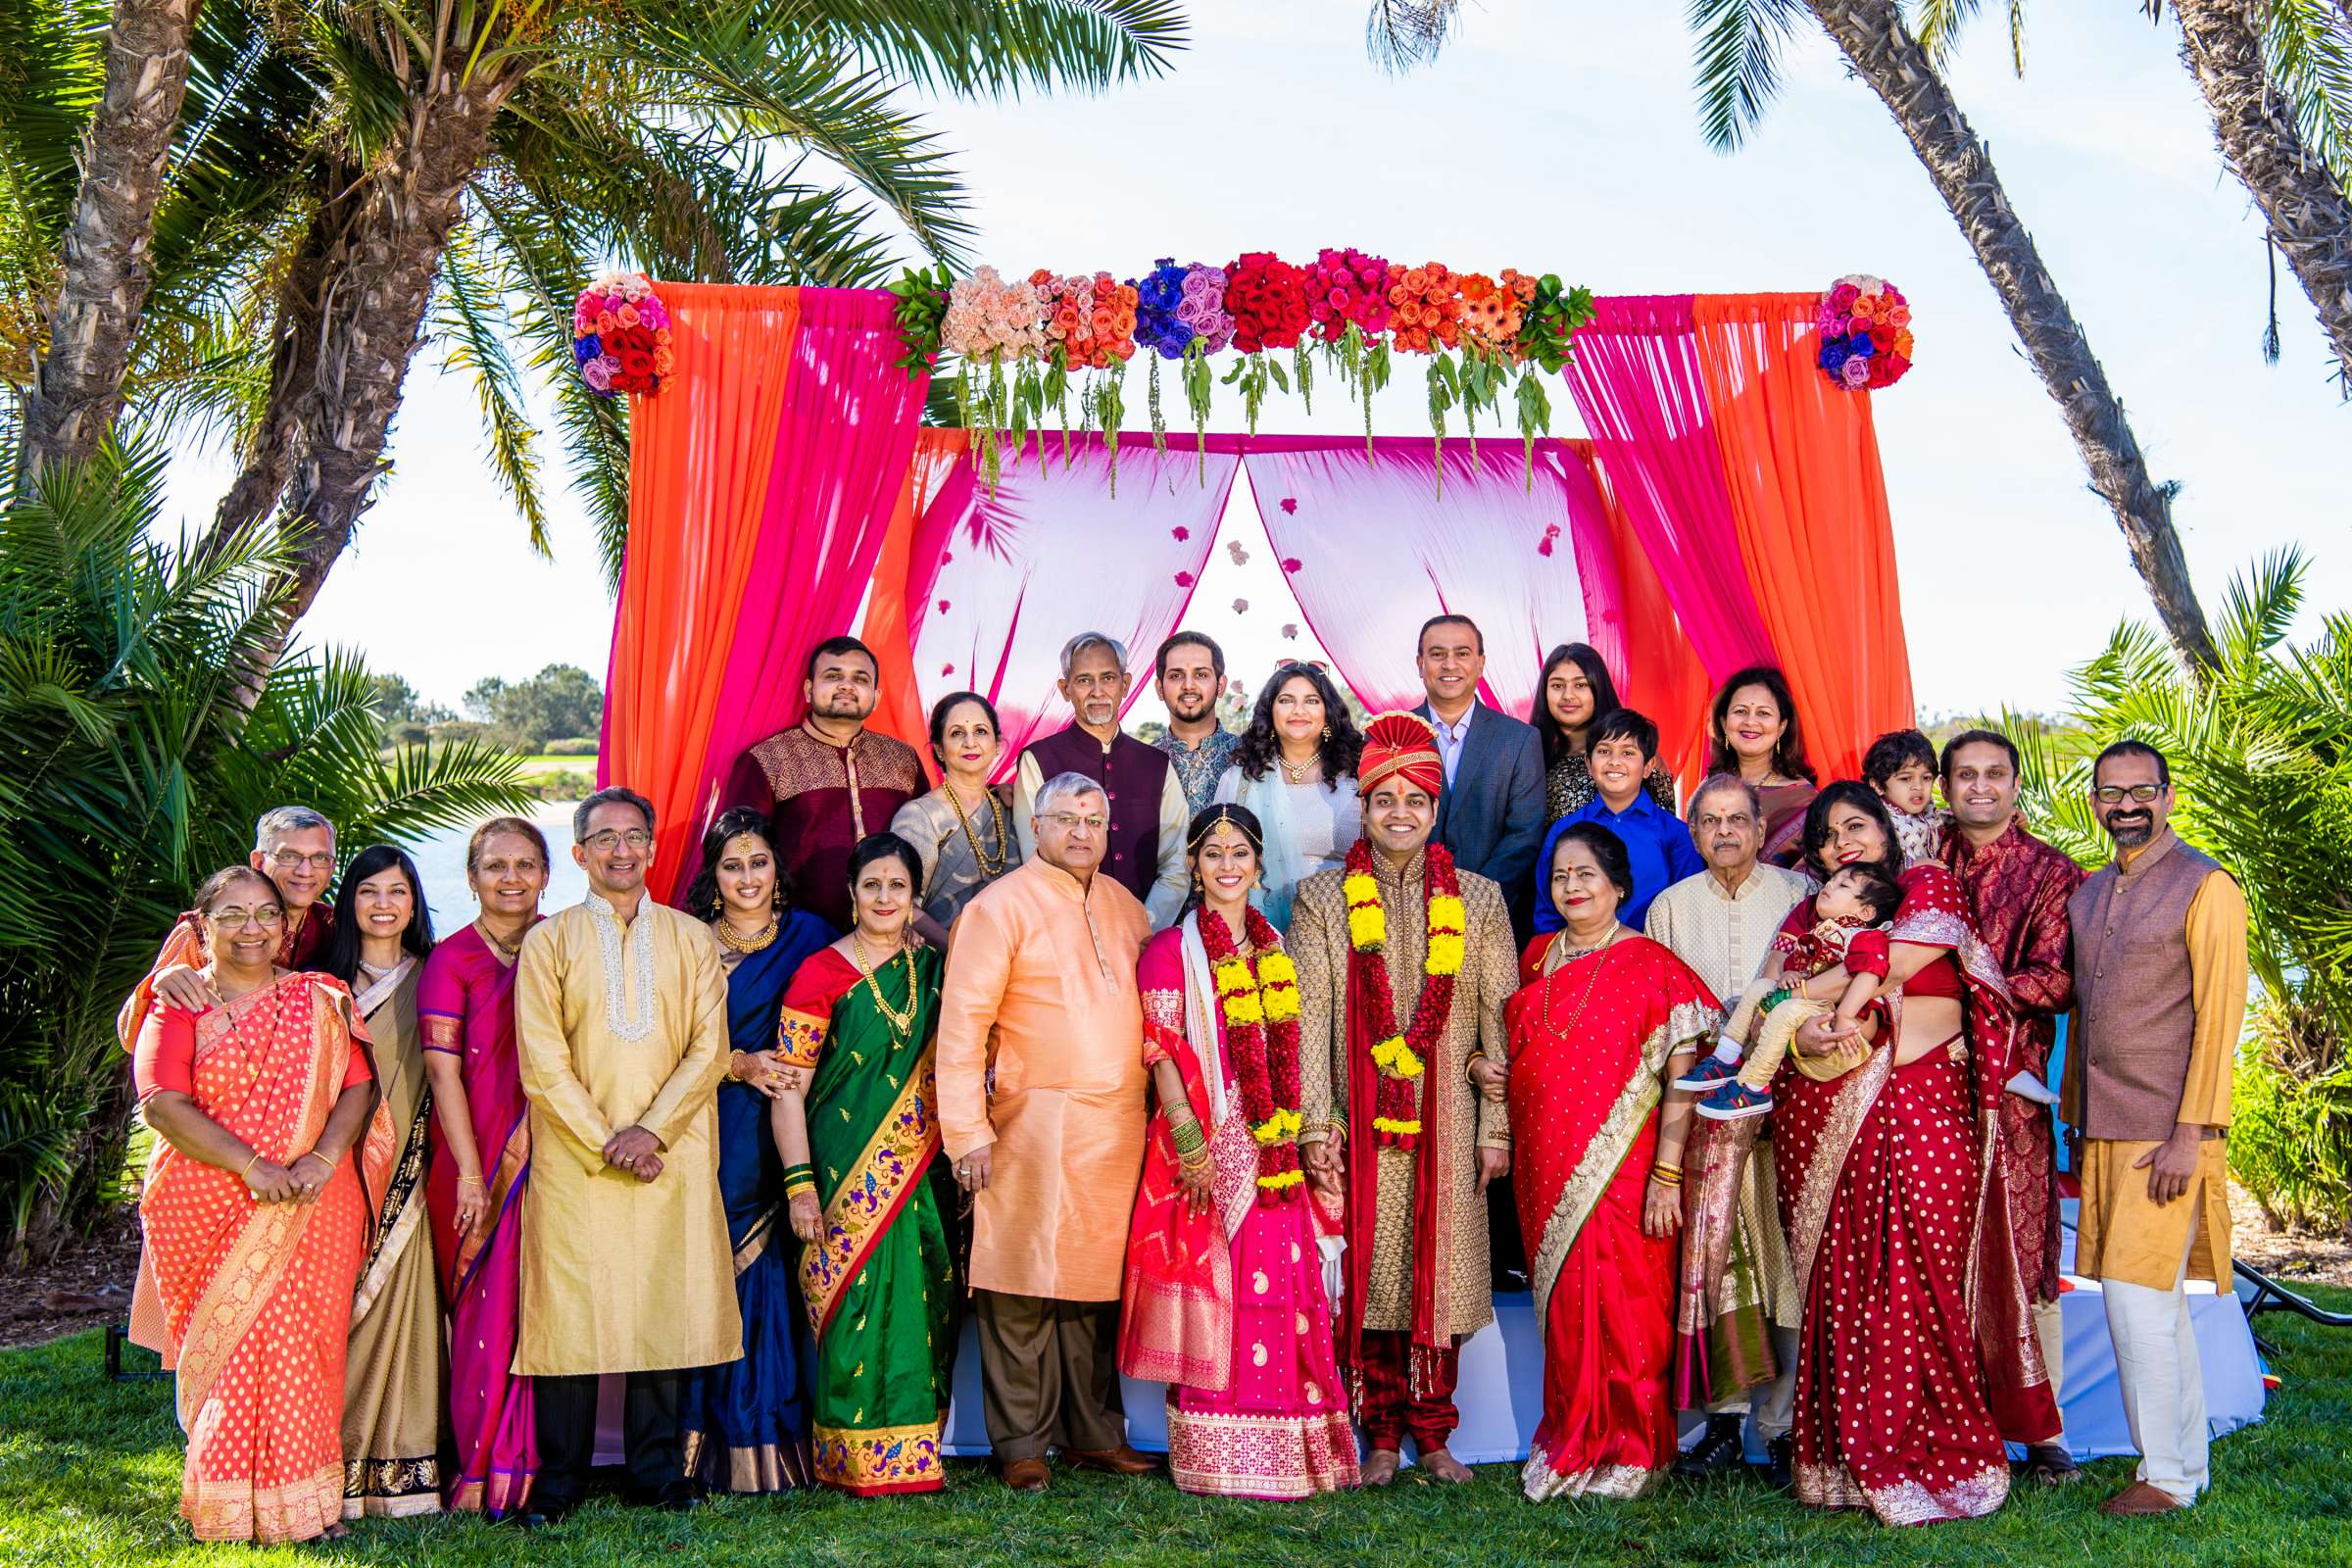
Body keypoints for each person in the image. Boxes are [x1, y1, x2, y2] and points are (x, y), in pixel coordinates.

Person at [1773, 783, 2054, 1525]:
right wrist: (1794, 1018)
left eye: (1856, 825)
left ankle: (1935, 1450)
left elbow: (1899, 962)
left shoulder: (1925, 883)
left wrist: (1798, 994)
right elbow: (1777, 1000)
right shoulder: (1809, 911)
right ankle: (1835, 1461)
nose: (1843, 843)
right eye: (1829, 836)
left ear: (1889, 830)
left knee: (1920, 1274)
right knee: (1846, 1277)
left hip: (1921, 1105)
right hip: (1831, 1113)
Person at [130, 864, 390, 1544]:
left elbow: (358, 1088)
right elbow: (162, 1102)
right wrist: (252, 1167)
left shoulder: (321, 997)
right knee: (230, 1347)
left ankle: (302, 1510)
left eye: (266, 915)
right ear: (202, 927)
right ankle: (225, 1511)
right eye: (233, 916)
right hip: (209, 1197)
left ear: (286, 925)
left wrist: (323, 1158)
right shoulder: (178, 1004)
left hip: (313, 1196)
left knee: (305, 1348)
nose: (252, 930)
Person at [1290, 712, 1517, 1487]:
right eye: (1383, 800)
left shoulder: (1480, 900)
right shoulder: (1323, 899)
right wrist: (1318, 1124)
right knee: (1374, 1274)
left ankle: (1435, 1431)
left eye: (1414, 802)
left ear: (1433, 808)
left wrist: (1499, 1128)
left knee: (1441, 1272)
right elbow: (1312, 1017)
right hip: (1361, 1116)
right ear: (1364, 804)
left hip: (1450, 1118)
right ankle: (1381, 1431)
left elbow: (1499, 1019)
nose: (1399, 814)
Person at [1117, 804, 1360, 1499]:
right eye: (1213, 853)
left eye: (1240, 853)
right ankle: (1215, 1452)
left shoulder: (1274, 944)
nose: (1227, 865)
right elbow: (1161, 1053)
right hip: (1207, 1145)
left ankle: (1293, 1447)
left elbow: (1295, 1047)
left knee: (1284, 1290)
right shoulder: (1170, 950)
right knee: (1223, 1291)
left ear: (1259, 867)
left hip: (1273, 1146)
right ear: (1193, 867)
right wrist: (1192, 1142)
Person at [513, 787, 737, 1522]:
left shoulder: (690, 938)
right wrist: (608, 1138)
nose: (620, 849)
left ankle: (655, 1471)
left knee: (660, 1303)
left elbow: (711, 1050)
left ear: (650, 848)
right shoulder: (548, 942)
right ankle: (559, 1481)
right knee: (570, 1315)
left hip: (669, 1154)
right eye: (603, 838)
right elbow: (542, 1062)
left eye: (633, 836)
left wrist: (653, 1132)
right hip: (578, 1160)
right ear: (578, 854)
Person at [938, 771, 1158, 1492]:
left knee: (1095, 1288)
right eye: (1065, 819)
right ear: (1036, 826)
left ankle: (1095, 1433)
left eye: (1093, 821)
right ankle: (1021, 1444)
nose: (1081, 833)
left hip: (1118, 1127)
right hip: (1029, 1126)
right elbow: (963, 1026)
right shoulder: (998, 907)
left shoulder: (1127, 907)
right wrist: (967, 1132)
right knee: (1020, 1284)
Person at [1501, 823, 1717, 1500]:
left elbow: (1684, 1073)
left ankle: (1634, 1448)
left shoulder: (1652, 963)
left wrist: (1667, 1171)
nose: (1571, 886)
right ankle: (1572, 1434)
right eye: (1560, 875)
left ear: (1619, 885)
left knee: (1628, 1302)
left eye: (1586, 873)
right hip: (1545, 1163)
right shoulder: (1539, 958)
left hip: (1628, 1163)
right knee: (1566, 1306)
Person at [2063, 742, 2244, 1517]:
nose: (2126, 804)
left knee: (2137, 1304)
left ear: (2168, 796)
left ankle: (2163, 1477)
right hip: (2103, 1125)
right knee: (2156, 1305)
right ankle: (2185, 1469)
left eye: (2142, 790)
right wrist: (2073, 1116)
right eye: (2111, 791)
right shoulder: (2090, 893)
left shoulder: (2208, 885)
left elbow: (2220, 1020)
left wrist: (2192, 1134)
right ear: (2095, 802)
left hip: (2165, 1130)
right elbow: (2086, 1013)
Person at [769, 833, 956, 1494]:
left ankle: (916, 1449)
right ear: (851, 894)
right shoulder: (821, 973)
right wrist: (799, 1187)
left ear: (915, 897)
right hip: (839, 1171)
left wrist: (928, 930)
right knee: (850, 1304)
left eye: (897, 886)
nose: (884, 897)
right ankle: (848, 1456)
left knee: (923, 1299)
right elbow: (787, 1086)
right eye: (871, 885)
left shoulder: (935, 967)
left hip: (924, 1171)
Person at [1642, 776, 1808, 1485]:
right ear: (1694, 831)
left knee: (1791, 1267)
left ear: (1761, 826)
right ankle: (1727, 1420)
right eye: (1709, 822)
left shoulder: (1801, 896)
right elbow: (1659, 1019)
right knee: (1720, 1266)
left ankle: (1785, 1424)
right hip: (1710, 1120)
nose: (1725, 832)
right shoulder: (1670, 909)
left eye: (1737, 819)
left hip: (1797, 1110)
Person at [1940, 725, 2086, 1487]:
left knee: (2025, 1254)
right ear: (1945, 784)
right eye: (1965, 775)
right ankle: (1947, 1417)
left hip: (2010, 1091)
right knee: (1936, 1249)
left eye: (1994, 774)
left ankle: (2044, 1432)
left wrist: (1962, 983)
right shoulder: (1920, 859)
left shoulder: (2053, 873)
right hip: (1923, 1089)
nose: (1980, 788)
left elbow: (2056, 980)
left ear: (2016, 783)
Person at [677, 808, 836, 1493]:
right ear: (713, 878)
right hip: (708, 1121)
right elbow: (656, 1046)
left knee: (773, 1274)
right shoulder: (684, 944)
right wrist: (737, 1062)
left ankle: (774, 1439)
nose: (748, 878)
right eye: (732, 865)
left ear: (779, 870)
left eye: (759, 862)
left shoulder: (810, 936)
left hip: (793, 1125)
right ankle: (700, 1442)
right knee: (711, 1269)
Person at [420, 816, 550, 1518]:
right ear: (470, 878)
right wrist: (472, 1175)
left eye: (525, 865)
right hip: (475, 1165)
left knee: (543, 1310)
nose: (511, 879)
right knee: (485, 1309)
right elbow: (443, 1076)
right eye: (495, 866)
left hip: (557, 1159)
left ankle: (537, 1463)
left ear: (546, 875)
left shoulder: (563, 944)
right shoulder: (452, 959)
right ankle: (480, 1469)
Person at [318, 845, 443, 1521]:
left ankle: (401, 1465)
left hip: (414, 1182)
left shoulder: (438, 975)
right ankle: (321, 1464)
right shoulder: (318, 984)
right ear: (350, 903)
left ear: (414, 902)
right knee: (332, 1320)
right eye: (369, 891)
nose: (384, 905)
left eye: (398, 891)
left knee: (405, 1319)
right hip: (335, 1179)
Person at [730, 635, 927, 932]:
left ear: (876, 696)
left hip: (896, 933)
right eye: (833, 676)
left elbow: (938, 819)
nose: (847, 685)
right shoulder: (769, 758)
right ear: (809, 690)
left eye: (860, 679)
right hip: (799, 937)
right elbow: (738, 851)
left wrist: (998, 793)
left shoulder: (902, 758)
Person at [1677, 861, 1900, 1121]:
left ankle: (1755, 1087)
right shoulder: (1820, 928)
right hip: (1806, 998)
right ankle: (1726, 1058)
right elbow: (1796, 962)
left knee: (1786, 1011)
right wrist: (1788, 974)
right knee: (1760, 988)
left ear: (1866, 911)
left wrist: (1846, 1014)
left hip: (1830, 1008)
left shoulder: (1865, 937)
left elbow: (1870, 973)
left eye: (1843, 885)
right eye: (1832, 879)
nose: (1829, 884)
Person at [118, 806, 342, 1047]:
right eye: (288, 856)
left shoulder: (336, 928)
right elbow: (135, 1037)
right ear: (258, 861)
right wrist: (158, 983)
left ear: (332, 867)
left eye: (320, 858)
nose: (305, 871)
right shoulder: (205, 930)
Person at [1012, 632, 1190, 926]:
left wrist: (1145, 924)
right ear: (1065, 689)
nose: (1097, 691)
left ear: (1125, 684)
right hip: (1064, 931)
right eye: (1084, 680)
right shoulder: (1039, 760)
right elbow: (1034, 859)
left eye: (1108, 678)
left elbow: (1176, 860)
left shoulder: (1156, 764)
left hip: (1146, 933)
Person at [1411, 614, 1546, 937]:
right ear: (1420, 663)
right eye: (1437, 654)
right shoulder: (1391, 735)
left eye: (1462, 653)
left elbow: (1524, 836)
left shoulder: (1519, 740)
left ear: (1480, 662)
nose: (1450, 664)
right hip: (1407, 918)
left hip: (1493, 920)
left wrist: (1473, 901)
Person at [1211, 661, 1364, 930]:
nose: (1298, 710)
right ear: (1270, 710)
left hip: (1344, 926)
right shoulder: (1241, 779)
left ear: (1328, 711)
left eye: (1312, 701)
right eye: (1286, 700)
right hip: (1258, 928)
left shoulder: (1356, 775)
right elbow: (1216, 856)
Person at [1533, 709, 1702, 937]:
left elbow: (1688, 911)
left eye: (1628, 753)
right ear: (1589, 763)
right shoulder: (1564, 831)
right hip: (1577, 960)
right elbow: (1547, 913)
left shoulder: (1674, 834)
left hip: (1649, 958)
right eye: (1604, 751)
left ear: (1648, 767)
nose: (1614, 762)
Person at [892, 691, 1022, 948]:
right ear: (939, 749)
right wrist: (958, 951)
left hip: (1015, 956)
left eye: (981, 731)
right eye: (957, 733)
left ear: (997, 744)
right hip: (943, 963)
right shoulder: (919, 816)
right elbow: (901, 903)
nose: (970, 742)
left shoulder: (1013, 807)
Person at [1530, 642, 1675, 820]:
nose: (1568, 695)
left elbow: (1666, 829)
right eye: (1558, 686)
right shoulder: (1532, 756)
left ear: (1598, 689)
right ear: (1545, 692)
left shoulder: (1637, 756)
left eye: (1580, 685)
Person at [1706, 668, 1816, 867]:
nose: (1750, 722)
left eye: (1763, 713)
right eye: (1741, 711)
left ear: (1781, 726)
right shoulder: (1709, 788)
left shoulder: (1804, 802)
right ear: (1723, 722)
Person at [1151, 631, 1241, 812]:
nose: (1188, 685)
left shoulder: (1248, 757)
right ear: (1160, 689)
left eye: (1200, 675)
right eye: (1176, 676)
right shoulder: (1143, 762)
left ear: (1220, 686)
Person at [1864, 728, 1948, 868]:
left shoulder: (1930, 811)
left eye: (1926, 778)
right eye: (1906, 779)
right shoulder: (1878, 823)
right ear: (1878, 786)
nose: (1918, 786)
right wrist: (1914, 865)